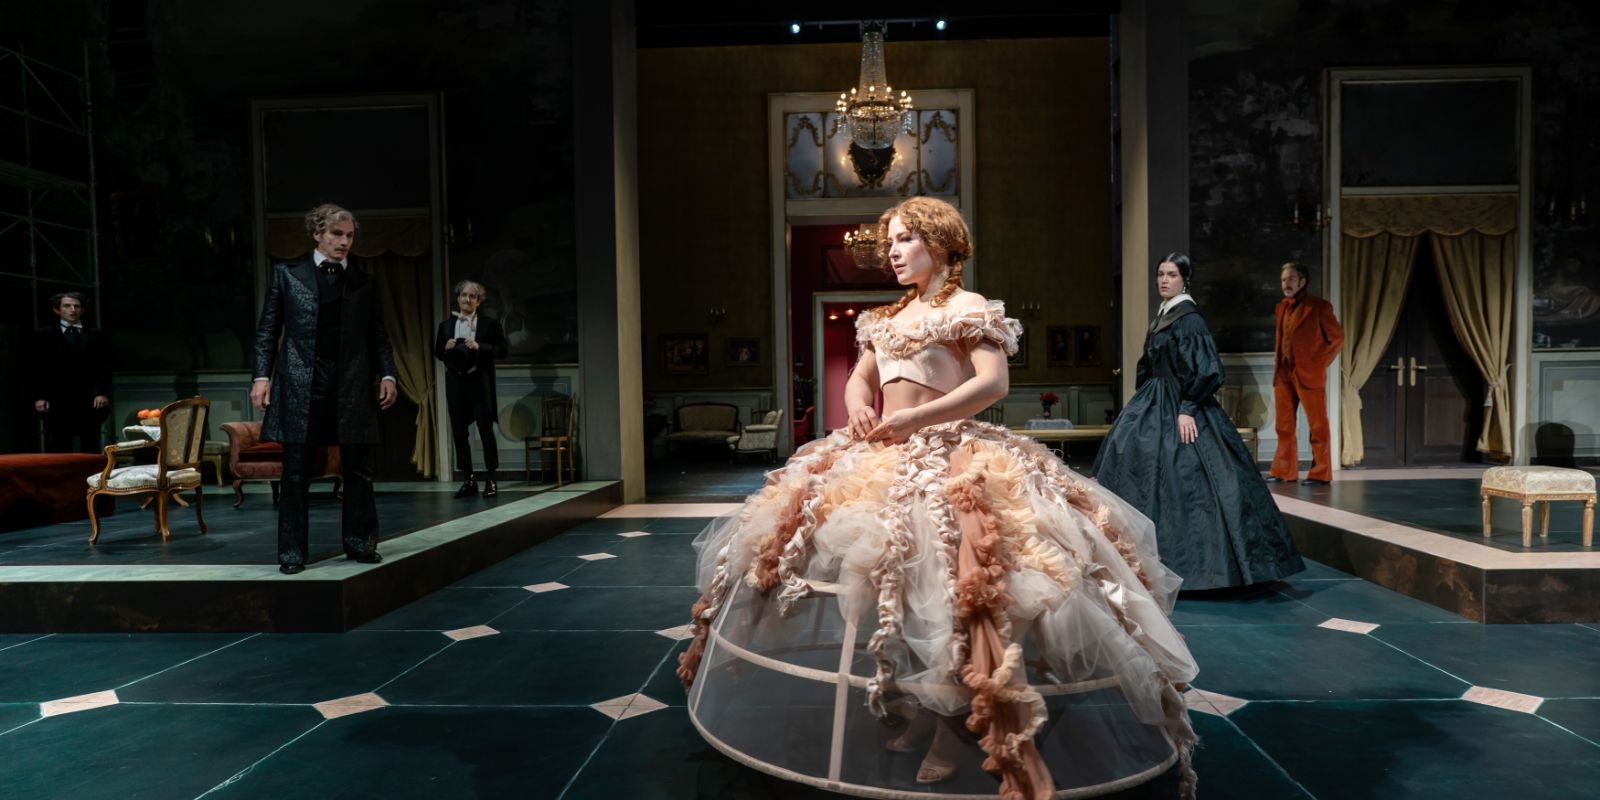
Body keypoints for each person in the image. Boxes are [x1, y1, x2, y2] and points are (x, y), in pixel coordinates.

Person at [678, 198, 1198, 800]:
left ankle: (951, 728)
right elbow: (861, 378)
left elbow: (993, 382)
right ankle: (925, 707)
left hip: (950, 452)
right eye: (890, 242)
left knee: (954, 587)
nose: (893, 252)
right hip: (882, 452)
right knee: (893, 585)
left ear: (942, 243)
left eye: (905, 239)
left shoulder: (969, 307)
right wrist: (859, 407)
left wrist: (917, 419)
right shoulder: (885, 317)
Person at [1094, 253, 1304, 590]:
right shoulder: (1164, 315)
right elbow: (1148, 364)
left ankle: (1200, 570)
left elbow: (1209, 370)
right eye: (1161, 274)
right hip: (1154, 400)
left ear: (1185, 280)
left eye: (1172, 275)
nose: (1164, 280)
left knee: (1193, 479)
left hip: (1181, 402)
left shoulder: (1189, 319)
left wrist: (1187, 407)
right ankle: (1133, 560)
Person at [251, 203, 398, 574]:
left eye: (349, 235)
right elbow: (268, 331)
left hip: (351, 384)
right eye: (336, 234)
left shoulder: (364, 282)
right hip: (301, 383)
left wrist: (388, 375)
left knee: (359, 469)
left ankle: (361, 543)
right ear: (317, 234)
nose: (344, 242)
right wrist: (261, 377)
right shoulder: (287, 275)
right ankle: (291, 553)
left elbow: (378, 335)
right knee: (295, 471)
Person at [1269, 261, 1345, 485]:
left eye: (1291, 278)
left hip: (1309, 373)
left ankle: (1321, 473)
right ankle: (1284, 471)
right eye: (1283, 279)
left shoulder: (1319, 306)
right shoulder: (1281, 307)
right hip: (1283, 373)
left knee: (1317, 425)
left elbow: (1337, 338)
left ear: (1302, 281)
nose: (1286, 283)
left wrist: (1318, 363)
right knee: (1284, 426)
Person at [434, 279, 507, 498]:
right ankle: (469, 479)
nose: (467, 299)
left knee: (485, 430)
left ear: (478, 301)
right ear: (458, 299)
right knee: (459, 432)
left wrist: (479, 346)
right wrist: (445, 348)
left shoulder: (489, 324)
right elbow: (438, 353)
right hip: (456, 382)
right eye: (464, 295)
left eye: (472, 296)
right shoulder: (445, 326)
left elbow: (503, 350)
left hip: (478, 381)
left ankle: (491, 479)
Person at [29, 292, 112, 453]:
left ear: (82, 310)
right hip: (57, 398)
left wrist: (101, 392)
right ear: (57, 310)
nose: (72, 310)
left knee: (90, 443)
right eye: (67, 306)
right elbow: (38, 367)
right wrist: (40, 396)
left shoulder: (96, 334)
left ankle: (91, 470)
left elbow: (103, 365)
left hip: (89, 399)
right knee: (59, 444)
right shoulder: (43, 334)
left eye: (76, 306)